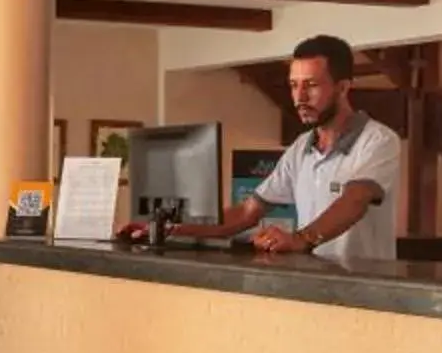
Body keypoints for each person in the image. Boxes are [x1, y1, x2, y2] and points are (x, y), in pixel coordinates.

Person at [136, 34, 404, 262]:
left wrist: (301, 239)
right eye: (293, 85)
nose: (299, 97)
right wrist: (166, 228)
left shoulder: (378, 140)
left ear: (343, 87)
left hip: (365, 293)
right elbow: (246, 212)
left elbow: (355, 200)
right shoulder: (301, 148)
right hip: (314, 286)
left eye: (311, 85)